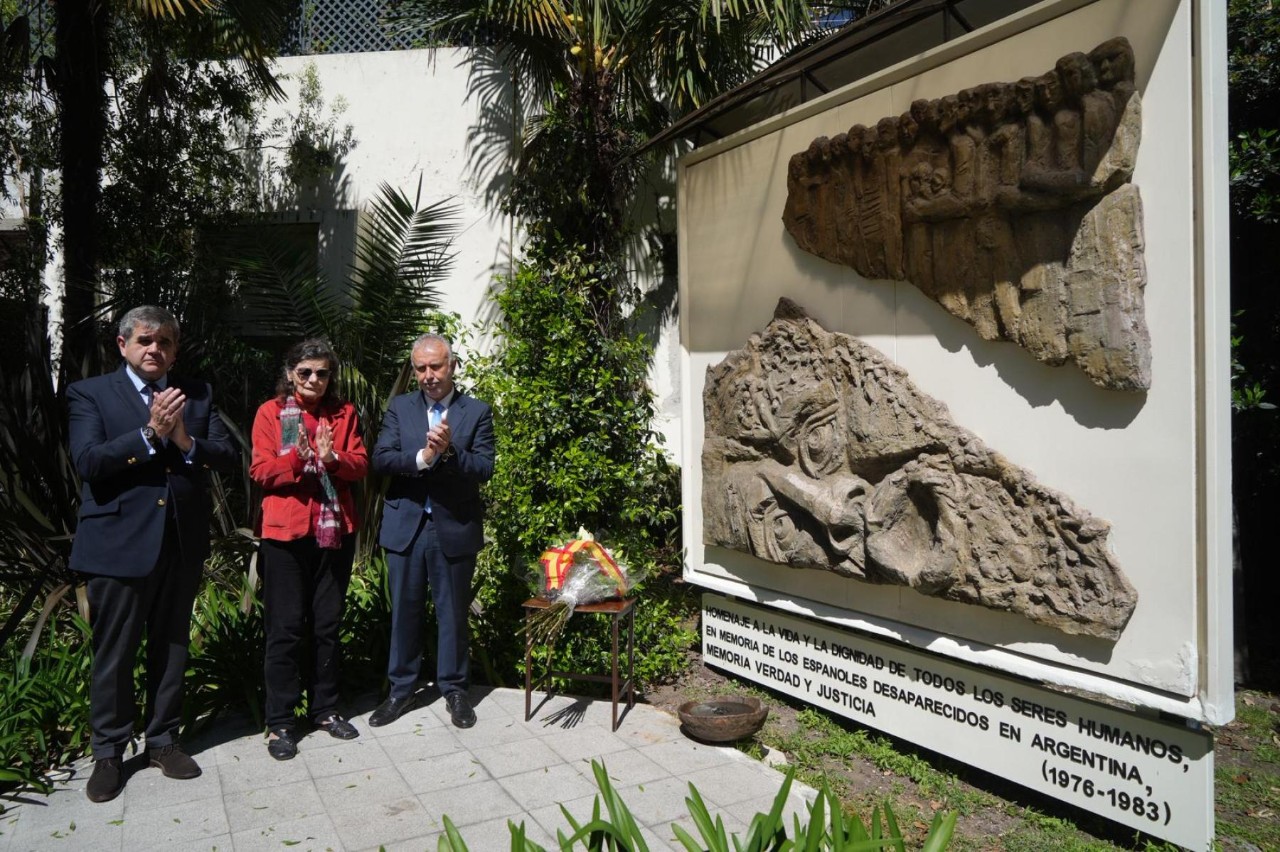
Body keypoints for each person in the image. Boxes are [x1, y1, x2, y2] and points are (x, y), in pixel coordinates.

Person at [67, 305, 238, 803]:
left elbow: (226, 456)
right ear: (122, 345)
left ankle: (163, 740)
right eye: (144, 341)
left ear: (174, 349)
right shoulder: (91, 393)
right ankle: (109, 752)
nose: (154, 350)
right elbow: (89, 461)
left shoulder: (197, 394)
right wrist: (148, 435)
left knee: (172, 645)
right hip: (117, 547)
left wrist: (184, 439)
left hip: (179, 543)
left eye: (164, 342)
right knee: (114, 653)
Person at [249, 339, 369, 760]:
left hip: (334, 534)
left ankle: (324, 709)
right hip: (285, 534)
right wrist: (298, 462)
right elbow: (261, 470)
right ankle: (280, 721)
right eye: (305, 372)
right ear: (289, 374)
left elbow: (360, 464)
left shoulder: (344, 413)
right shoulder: (271, 413)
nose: (314, 379)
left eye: (321, 372)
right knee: (284, 629)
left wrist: (332, 457)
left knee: (326, 625)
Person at [369, 334, 494, 729]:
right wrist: (423, 458)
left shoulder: (475, 412)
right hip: (407, 525)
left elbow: (485, 468)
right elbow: (382, 458)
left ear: (452, 366)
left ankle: (455, 689)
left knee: (453, 614)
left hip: (453, 527)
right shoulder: (399, 408)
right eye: (420, 368)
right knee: (404, 613)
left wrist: (452, 453)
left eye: (435, 366)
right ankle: (401, 690)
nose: (428, 375)